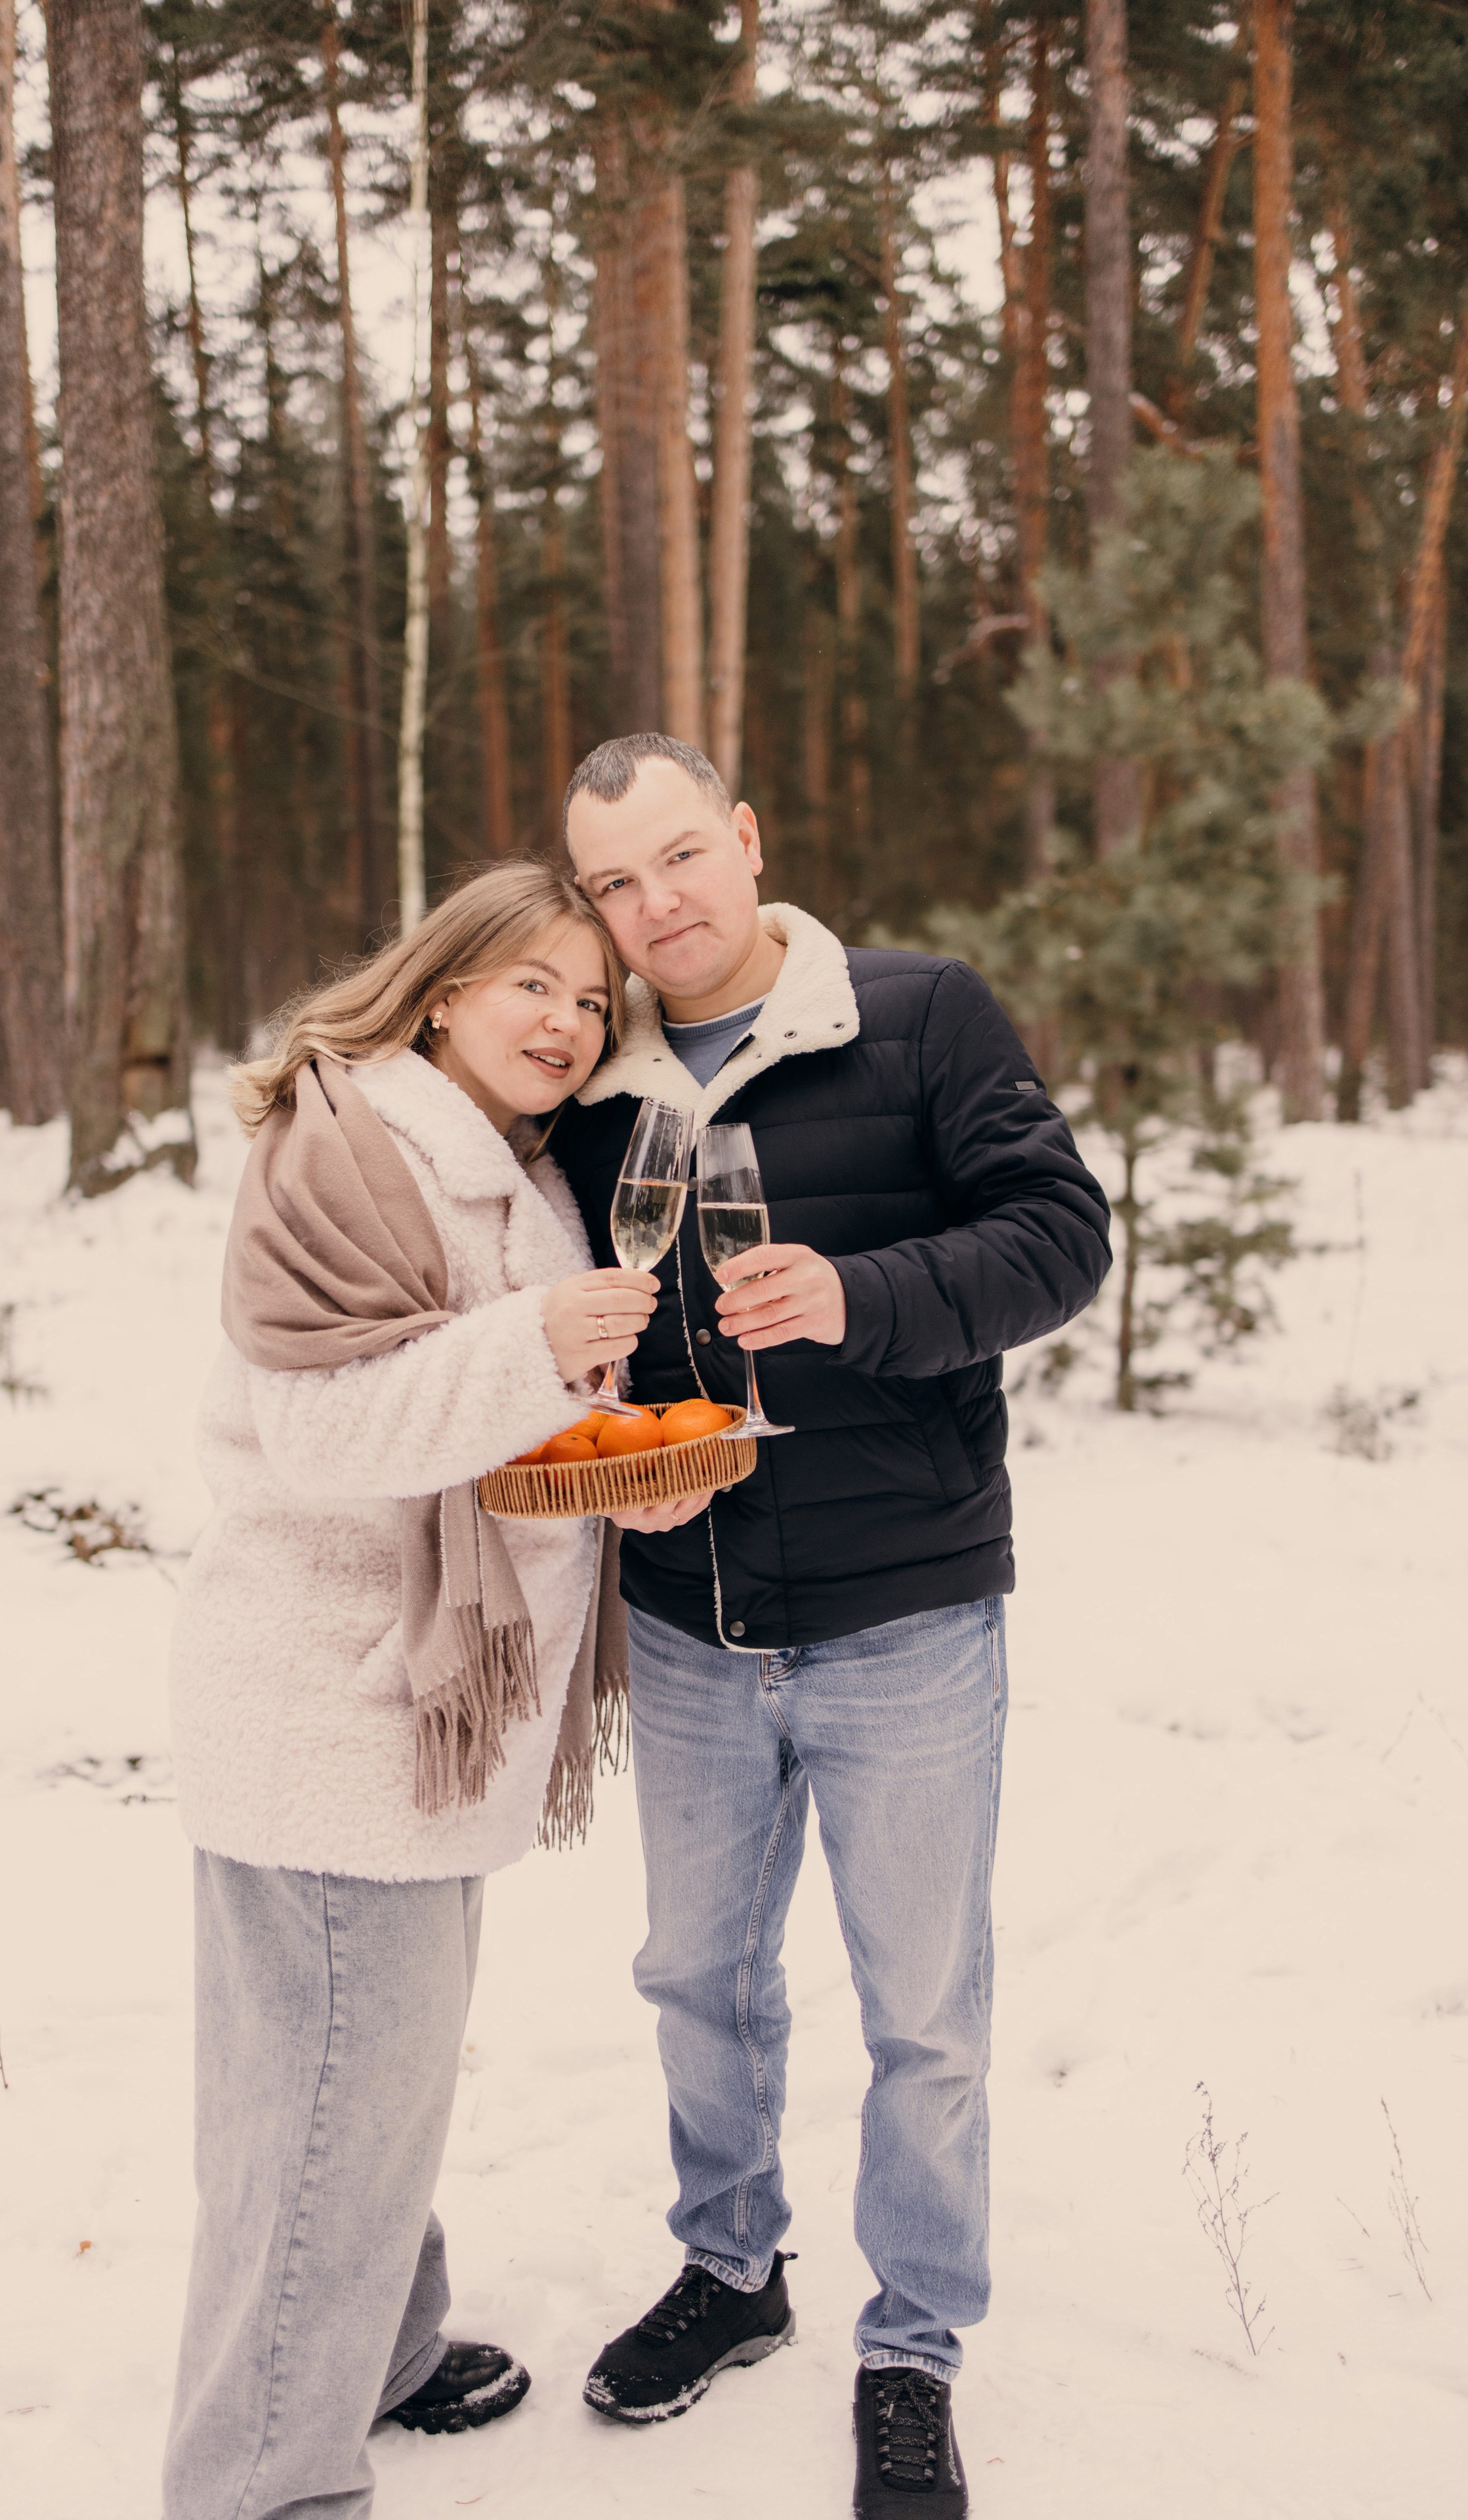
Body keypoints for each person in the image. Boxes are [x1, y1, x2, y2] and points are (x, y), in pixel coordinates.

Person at [551, 734, 1112, 2519]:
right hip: (690, 1618)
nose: (656, 905)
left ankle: (914, 2345)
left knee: (923, 2013)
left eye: (678, 858)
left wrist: (859, 1297)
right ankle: (730, 2268)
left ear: (745, 836)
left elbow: (1061, 1237)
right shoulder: (592, 1085)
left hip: (905, 1617)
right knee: (694, 1981)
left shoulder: (920, 1013)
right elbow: (583, 1327)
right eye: (615, 884)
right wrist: (616, 1444)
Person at [162, 861, 662, 2520]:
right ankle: (266, 2483)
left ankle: (376, 2346)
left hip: (425, 1720)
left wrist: (630, 1477)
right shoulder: (346, 1148)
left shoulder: (512, 1166)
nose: (565, 1023)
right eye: (532, 985)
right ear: (443, 990)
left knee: (371, 2082)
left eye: (589, 1001)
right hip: (329, 1709)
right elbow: (323, 1434)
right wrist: (538, 1341)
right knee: (320, 2112)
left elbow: (511, 1435)